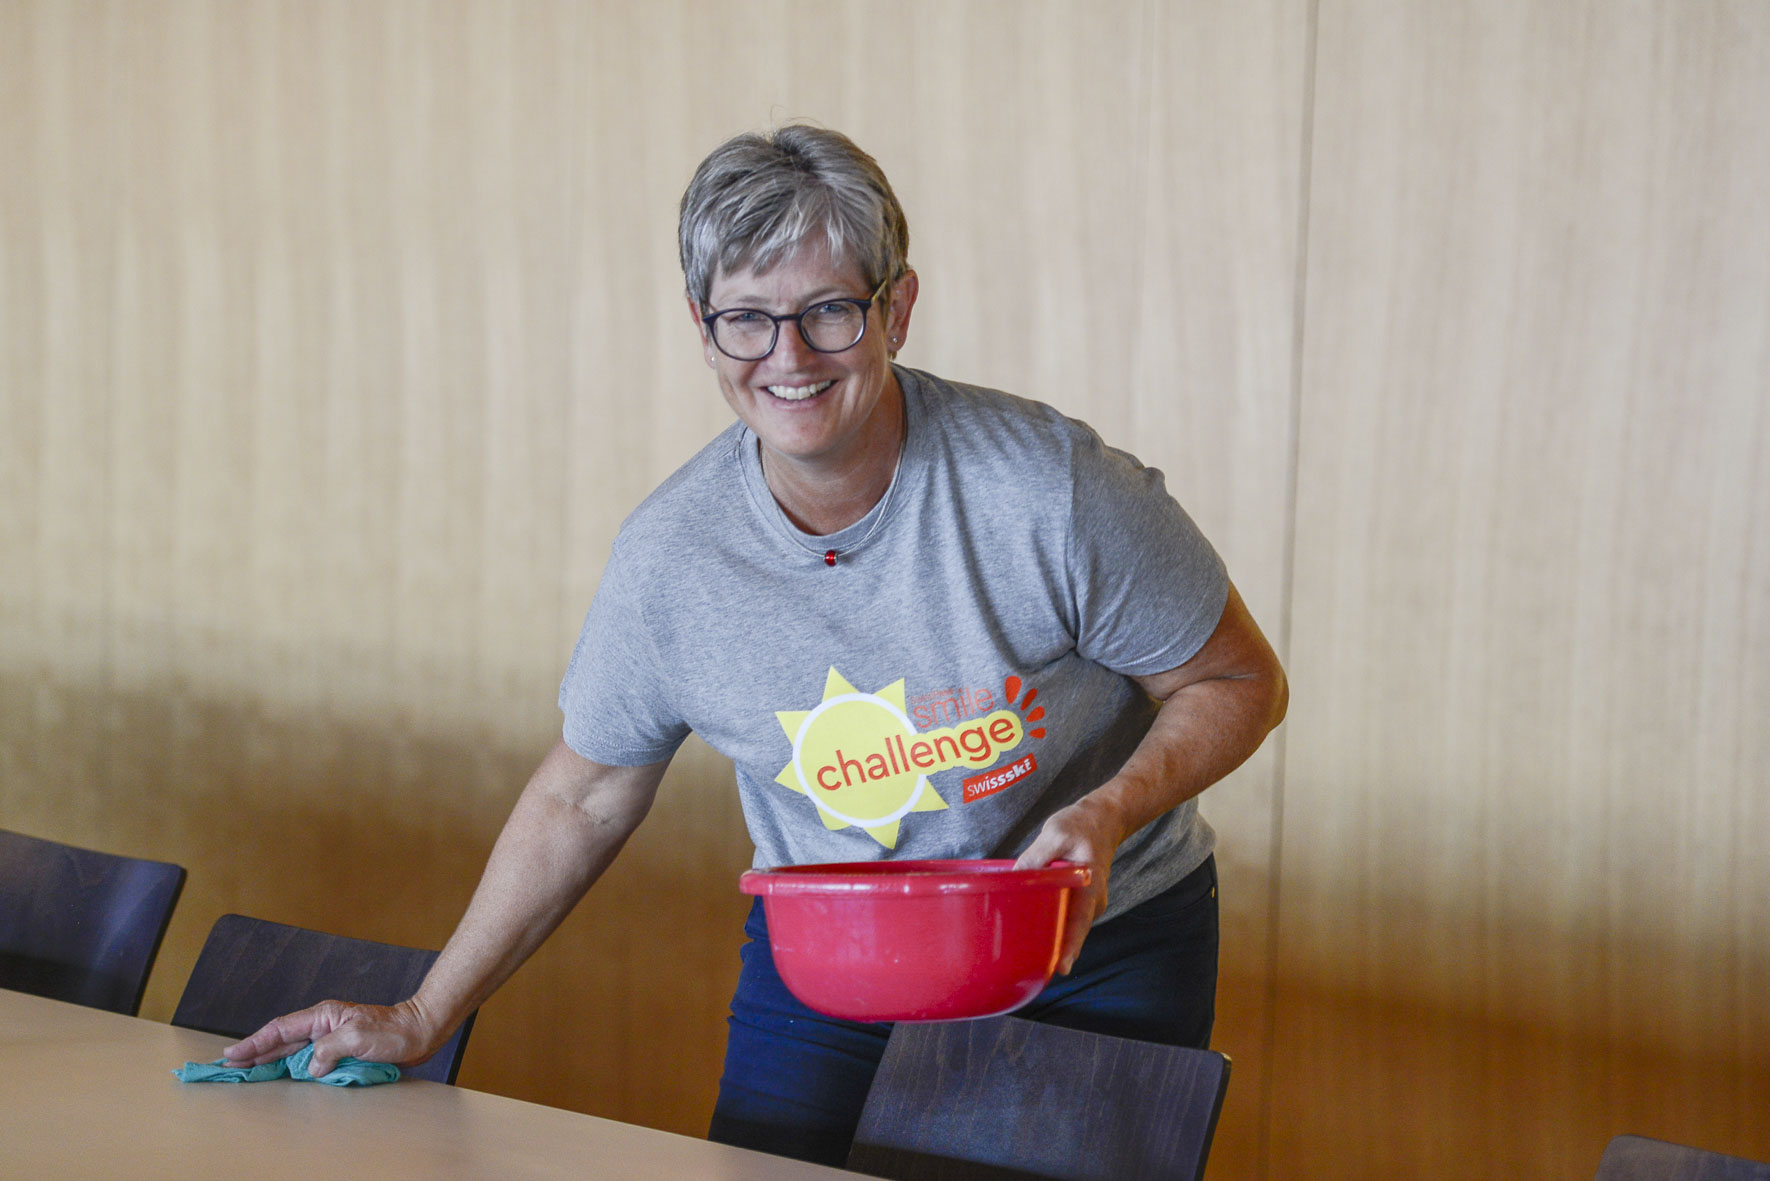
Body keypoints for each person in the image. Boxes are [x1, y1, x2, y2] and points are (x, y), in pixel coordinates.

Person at [222, 124, 1288, 1167]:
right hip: (831, 959)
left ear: (896, 309)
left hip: (1088, 945)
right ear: (703, 327)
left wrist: (1110, 809)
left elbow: (1239, 678)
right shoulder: (672, 556)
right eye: (747, 319)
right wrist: (424, 1012)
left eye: (828, 310)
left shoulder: (1051, 490)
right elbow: (584, 795)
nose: (789, 357)